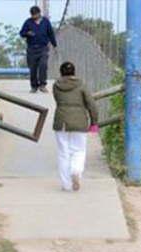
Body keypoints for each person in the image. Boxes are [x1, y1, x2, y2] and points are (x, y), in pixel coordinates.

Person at [53, 61, 99, 192]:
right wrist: (94, 122)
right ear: (74, 72)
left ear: (61, 72)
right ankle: (76, 171)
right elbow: (91, 105)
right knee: (78, 150)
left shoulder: (56, 86)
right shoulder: (81, 85)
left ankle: (66, 185)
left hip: (61, 121)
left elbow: (57, 100)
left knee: (63, 153)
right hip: (79, 122)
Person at [20, 6, 57, 93]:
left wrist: (54, 45)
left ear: (39, 13)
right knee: (32, 68)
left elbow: (51, 33)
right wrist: (27, 33)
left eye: (35, 15)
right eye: (32, 15)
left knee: (43, 65)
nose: (34, 16)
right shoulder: (28, 22)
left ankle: (42, 85)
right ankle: (34, 86)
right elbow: (21, 33)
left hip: (43, 48)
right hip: (32, 48)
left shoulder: (46, 22)